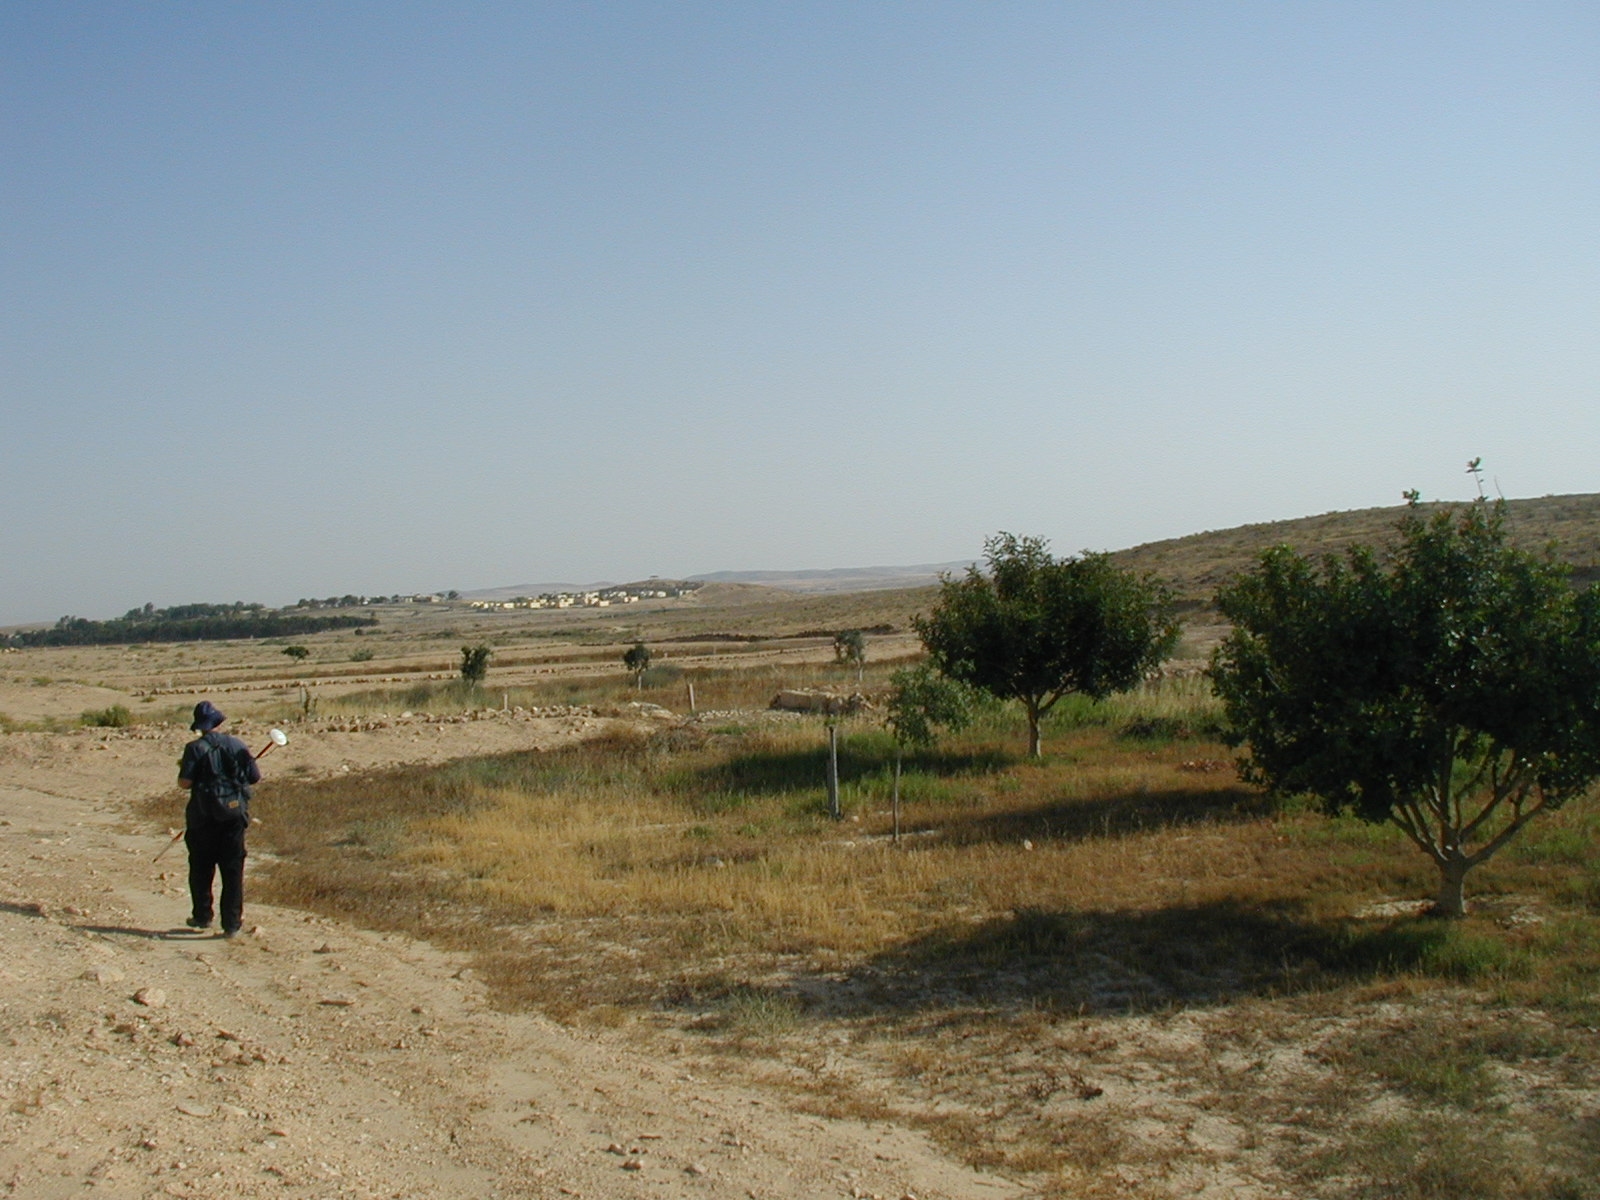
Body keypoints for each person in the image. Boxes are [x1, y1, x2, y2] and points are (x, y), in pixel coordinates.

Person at [177, 701, 260, 937]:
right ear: (217, 722)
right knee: (233, 871)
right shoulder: (237, 744)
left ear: (200, 726)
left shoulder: (194, 748)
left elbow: (184, 783)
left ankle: (202, 916)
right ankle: (232, 923)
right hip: (234, 817)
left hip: (202, 818)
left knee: (201, 868)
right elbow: (254, 777)